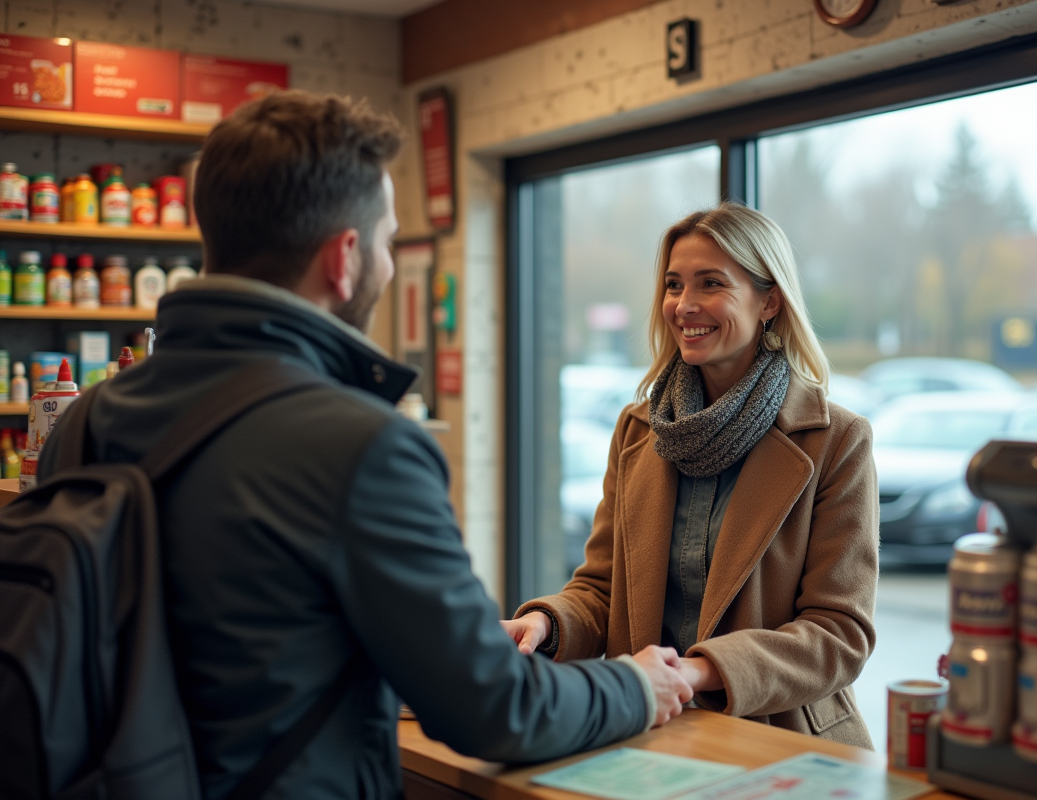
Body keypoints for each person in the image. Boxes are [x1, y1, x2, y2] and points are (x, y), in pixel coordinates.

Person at [39, 91, 692, 800]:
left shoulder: (86, 421)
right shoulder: (363, 446)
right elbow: (496, 710)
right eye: (387, 241)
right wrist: (633, 685)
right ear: (344, 258)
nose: (388, 263)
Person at [502, 203, 879, 748]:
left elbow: (838, 635)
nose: (685, 305)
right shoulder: (638, 429)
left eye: (711, 284)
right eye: (674, 285)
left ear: (769, 301)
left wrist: (698, 672)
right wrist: (547, 624)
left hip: (783, 741)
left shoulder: (836, 440)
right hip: (652, 733)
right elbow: (602, 590)